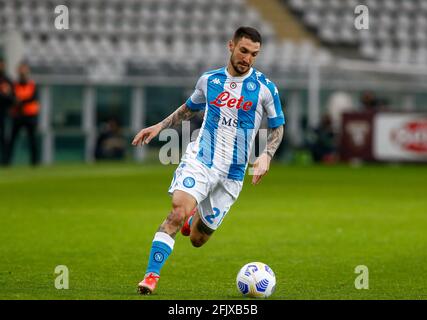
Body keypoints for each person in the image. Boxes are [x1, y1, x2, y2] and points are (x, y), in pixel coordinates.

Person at [132, 26, 285, 295]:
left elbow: (277, 126)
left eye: (254, 54)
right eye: (243, 51)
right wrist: (160, 126)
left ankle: (195, 217)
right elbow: (189, 108)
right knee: (176, 212)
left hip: (234, 173)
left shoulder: (264, 88)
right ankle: (151, 276)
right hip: (202, 158)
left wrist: (266, 155)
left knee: (198, 240)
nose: (247, 58)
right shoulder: (209, 80)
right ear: (231, 46)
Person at [7, 62, 40, 166]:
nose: (23, 72)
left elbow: (33, 98)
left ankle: (34, 162)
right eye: (21, 69)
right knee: (12, 140)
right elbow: (11, 97)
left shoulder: (32, 85)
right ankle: (7, 162)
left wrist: (20, 101)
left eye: (24, 69)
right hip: (18, 115)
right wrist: (16, 101)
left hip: (30, 116)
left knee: (32, 140)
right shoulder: (14, 85)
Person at [0, 59, 15, 165]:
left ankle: (6, 162)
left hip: (4, 114)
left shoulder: (8, 81)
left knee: (4, 138)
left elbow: (12, 98)